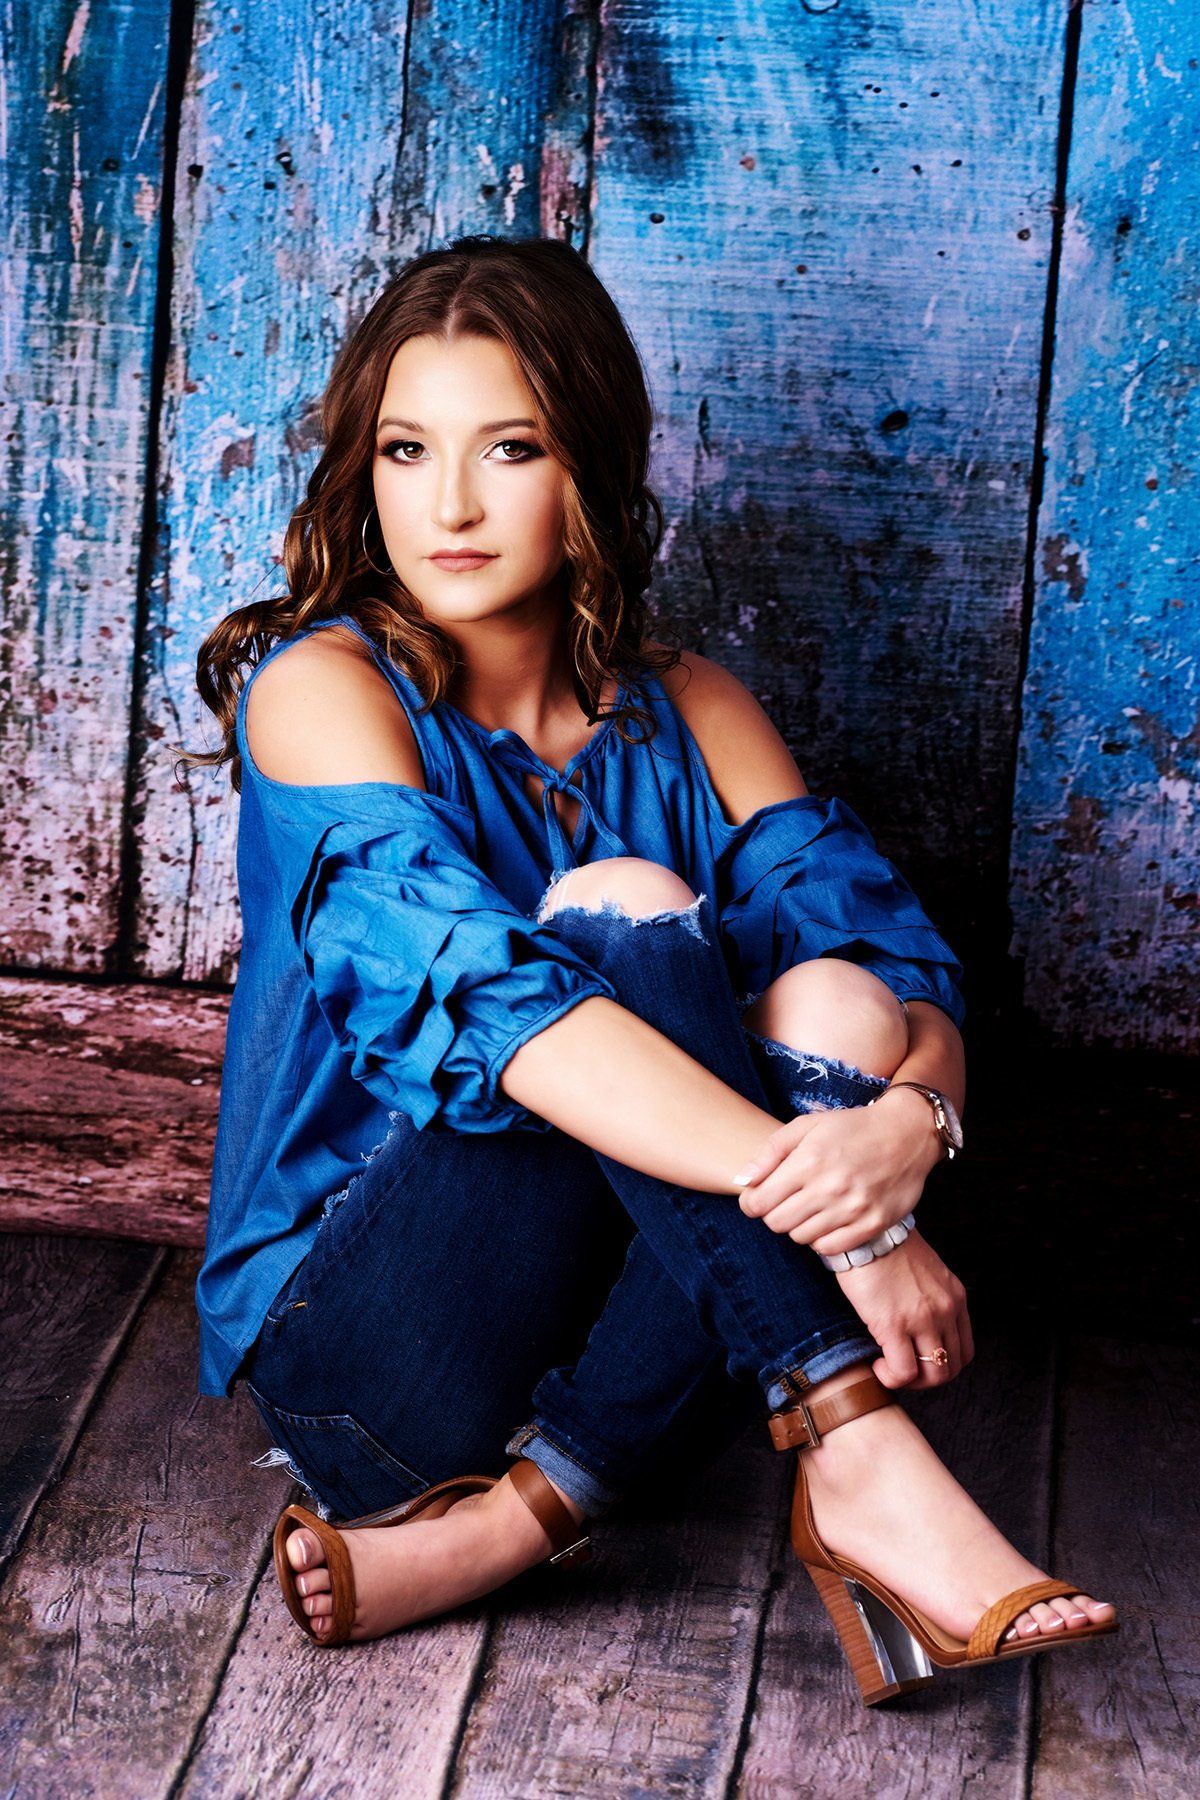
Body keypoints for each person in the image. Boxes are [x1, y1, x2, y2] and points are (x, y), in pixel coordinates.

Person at [184, 234, 1115, 1698]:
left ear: (591, 465)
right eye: (407, 449)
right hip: (375, 1350)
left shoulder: (687, 702)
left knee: (836, 1002)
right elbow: (509, 1020)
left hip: (648, 1320)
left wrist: (904, 1129)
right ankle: (853, 1431)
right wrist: (859, 1234)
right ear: (362, 471)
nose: (450, 505)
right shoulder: (323, 687)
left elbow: (896, 967)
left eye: (511, 448)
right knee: (619, 904)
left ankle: (528, 1514)